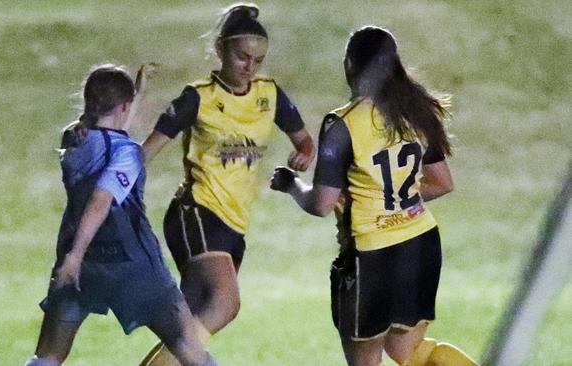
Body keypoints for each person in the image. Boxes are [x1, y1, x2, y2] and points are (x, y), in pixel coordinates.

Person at [270, 26, 478, 366]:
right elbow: (442, 183)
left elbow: (321, 204)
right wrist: (396, 198)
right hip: (421, 244)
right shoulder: (414, 111)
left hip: (372, 256)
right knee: (407, 353)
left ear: (349, 66)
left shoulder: (342, 124)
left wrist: (291, 184)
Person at [138, 3, 315, 365]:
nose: (249, 67)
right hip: (197, 212)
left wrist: (305, 153)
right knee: (225, 303)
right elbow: (145, 152)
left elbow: (305, 140)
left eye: (258, 60)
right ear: (220, 50)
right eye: (242, 57)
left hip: (234, 223)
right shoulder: (198, 97)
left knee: (185, 325)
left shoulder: (270, 95)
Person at [25, 64, 217, 366]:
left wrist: (136, 92)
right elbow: (101, 200)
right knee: (187, 345)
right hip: (133, 265)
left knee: (48, 354)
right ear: (124, 106)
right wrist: (75, 255)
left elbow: (105, 125)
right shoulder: (127, 153)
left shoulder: (72, 139)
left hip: (84, 266)